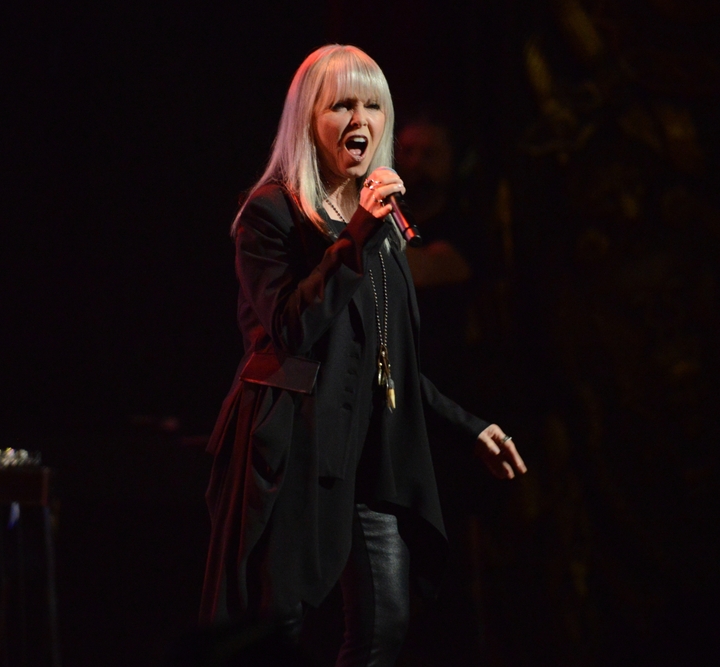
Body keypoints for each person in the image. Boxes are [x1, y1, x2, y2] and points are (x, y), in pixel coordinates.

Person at [199, 44, 526, 667]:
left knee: (385, 624)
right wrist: (357, 237)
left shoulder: (381, 218)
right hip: (295, 446)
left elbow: (389, 357)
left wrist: (470, 426)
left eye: (373, 105)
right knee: (279, 628)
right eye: (342, 104)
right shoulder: (271, 214)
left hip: (372, 449)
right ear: (308, 119)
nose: (360, 119)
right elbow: (294, 329)